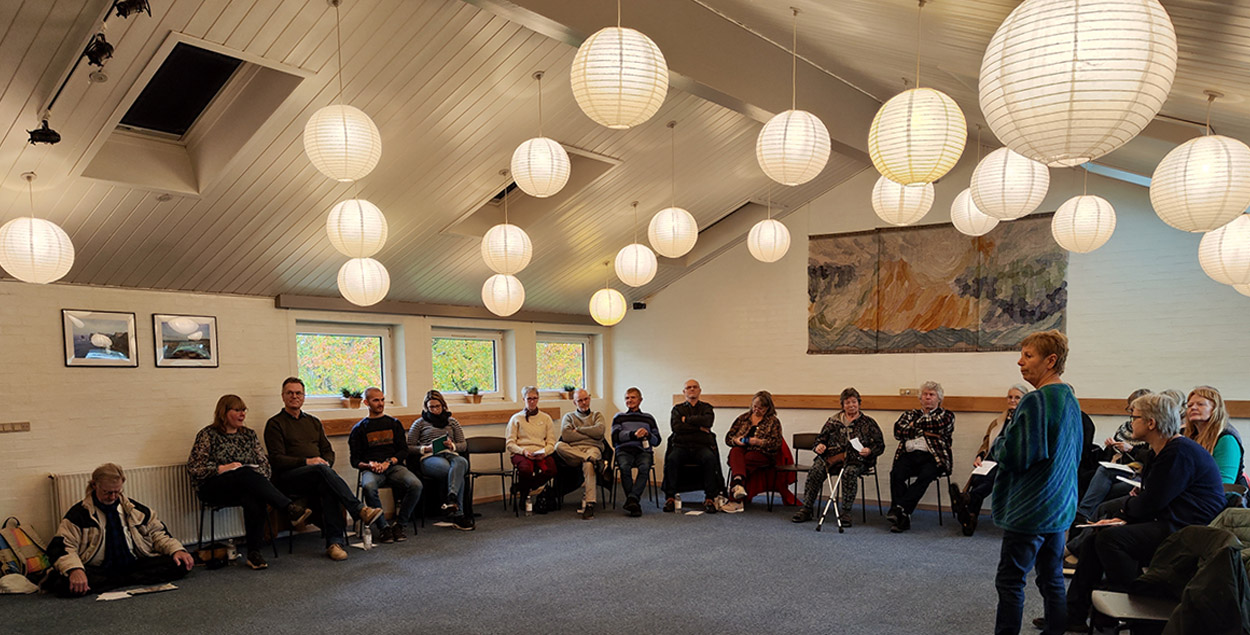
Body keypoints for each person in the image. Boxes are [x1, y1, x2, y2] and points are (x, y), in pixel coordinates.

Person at [1062, 392, 1226, 632]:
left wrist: (1125, 510)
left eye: (1134, 417)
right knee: (1095, 539)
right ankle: (1074, 615)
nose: (1131, 423)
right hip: (1171, 520)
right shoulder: (1160, 450)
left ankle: (1137, 607)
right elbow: (1150, 498)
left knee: (1109, 540)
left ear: (1151, 423)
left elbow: (1150, 503)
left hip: (1190, 532)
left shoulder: (1178, 452)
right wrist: (1128, 512)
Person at [987, 330, 1082, 635]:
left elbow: (1015, 455)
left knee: (1010, 581)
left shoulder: (1037, 400)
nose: (1020, 362)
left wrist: (999, 443)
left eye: (1028, 356)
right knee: (1051, 576)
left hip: (1031, 508)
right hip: (1058, 505)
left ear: (1050, 361)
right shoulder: (1070, 398)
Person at [187, 395, 313, 570]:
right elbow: (194, 468)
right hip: (213, 487)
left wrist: (255, 476)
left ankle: (254, 553)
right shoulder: (208, 435)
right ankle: (288, 508)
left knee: (253, 494)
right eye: (237, 410)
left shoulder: (249, 435)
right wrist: (222, 468)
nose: (242, 414)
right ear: (224, 413)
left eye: (244, 410)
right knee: (245, 474)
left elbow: (265, 466)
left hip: (244, 486)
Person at [264, 377, 382, 562]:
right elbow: (277, 459)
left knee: (327, 484)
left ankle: (334, 544)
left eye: (298, 393)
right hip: (288, 478)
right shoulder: (275, 424)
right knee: (321, 472)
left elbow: (328, 451)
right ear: (283, 396)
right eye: (290, 393)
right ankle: (358, 510)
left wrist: (326, 463)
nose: (294, 396)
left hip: (317, 476)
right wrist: (308, 462)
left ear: (304, 396)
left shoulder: (313, 422)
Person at [43, 463, 195, 597]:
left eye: (117, 492)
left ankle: (115, 581)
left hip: (133, 564)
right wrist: (75, 570)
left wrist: (177, 550)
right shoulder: (78, 515)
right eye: (107, 492)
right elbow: (63, 547)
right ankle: (123, 580)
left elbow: (158, 534)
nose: (113, 497)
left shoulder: (136, 510)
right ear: (94, 485)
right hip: (99, 568)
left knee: (179, 563)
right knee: (63, 582)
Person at [792, 387, 884, 525]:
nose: (851, 405)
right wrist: (819, 446)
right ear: (842, 405)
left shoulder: (868, 423)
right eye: (847, 402)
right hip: (832, 458)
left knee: (849, 472)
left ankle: (846, 513)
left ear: (859, 403)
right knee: (816, 470)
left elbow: (880, 445)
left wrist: (869, 450)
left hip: (857, 459)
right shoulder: (833, 421)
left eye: (854, 402)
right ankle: (807, 509)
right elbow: (820, 440)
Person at [950, 384, 1031, 536]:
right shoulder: (998, 421)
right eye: (1010, 397)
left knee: (992, 478)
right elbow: (987, 442)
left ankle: (968, 503)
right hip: (992, 459)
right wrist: (980, 456)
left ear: (1025, 400)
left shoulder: (1027, 421)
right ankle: (970, 516)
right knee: (978, 478)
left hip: (1011, 461)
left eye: (1017, 397)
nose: (1012, 400)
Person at [349, 387, 422, 544]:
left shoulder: (394, 424)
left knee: (416, 485)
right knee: (368, 486)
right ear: (366, 403)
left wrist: (388, 462)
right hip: (372, 470)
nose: (380, 403)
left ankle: (400, 524)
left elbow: (403, 451)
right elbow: (355, 461)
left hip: (394, 466)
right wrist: (370, 465)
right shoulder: (359, 429)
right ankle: (384, 528)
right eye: (376, 400)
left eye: (382, 399)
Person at [886, 381, 955, 533]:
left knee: (925, 475)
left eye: (932, 395)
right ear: (920, 398)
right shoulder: (909, 414)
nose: (928, 397)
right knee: (896, 474)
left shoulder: (946, 415)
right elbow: (898, 431)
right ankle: (903, 516)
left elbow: (938, 424)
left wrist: (913, 426)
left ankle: (899, 509)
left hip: (934, 456)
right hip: (909, 455)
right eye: (925, 394)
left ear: (939, 399)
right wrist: (925, 431)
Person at [407, 389, 473, 531]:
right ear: (426, 407)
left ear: (443, 405)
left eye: (437, 406)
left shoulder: (452, 422)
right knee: (453, 471)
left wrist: (452, 445)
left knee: (462, 462)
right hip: (430, 457)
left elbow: (463, 445)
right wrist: (425, 448)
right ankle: (459, 514)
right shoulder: (419, 423)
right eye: (431, 407)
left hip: (450, 454)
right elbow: (409, 447)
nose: (435, 410)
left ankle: (451, 498)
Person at [663, 379, 725, 513]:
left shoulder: (707, 408)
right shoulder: (677, 409)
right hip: (681, 446)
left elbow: (708, 422)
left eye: (695, 387)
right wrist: (699, 428)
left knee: (710, 458)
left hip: (701, 447)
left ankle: (709, 498)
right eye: (689, 387)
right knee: (672, 459)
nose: (692, 389)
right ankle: (670, 497)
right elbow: (676, 428)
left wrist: (686, 420)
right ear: (684, 391)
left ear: (699, 390)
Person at [724, 390, 786, 507]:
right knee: (735, 451)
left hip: (762, 453)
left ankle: (735, 500)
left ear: (768, 408)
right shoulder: (743, 418)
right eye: (755, 407)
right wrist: (736, 440)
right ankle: (738, 485)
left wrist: (759, 442)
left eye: (760, 408)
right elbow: (728, 437)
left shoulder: (773, 421)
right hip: (742, 449)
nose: (756, 410)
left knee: (743, 460)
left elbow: (776, 443)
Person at [555, 389, 606, 520]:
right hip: (574, 453)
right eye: (580, 400)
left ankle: (589, 504)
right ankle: (592, 459)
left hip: (592, 448)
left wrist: (578, 429)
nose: (584, 403)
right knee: (558, 445)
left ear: (589, 398)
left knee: (588, 465)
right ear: (574, 402)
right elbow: (566, 436)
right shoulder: (569, 417)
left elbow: (599, 432)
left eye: (586, 399)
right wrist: (591, 433)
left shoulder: (597, 415)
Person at [1184, 385, 1248, 487]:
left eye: (1200, 404)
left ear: (1215, 409)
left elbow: (1225, 484)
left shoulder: (1227, 439)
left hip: (1220, 495)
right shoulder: (1188, 437)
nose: (1193, 408)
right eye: (1190, 405)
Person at [612, 387, 661, 517]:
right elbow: (615, 438)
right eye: (627, 398)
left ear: (640, 400)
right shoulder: (619, 417)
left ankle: (632, 499)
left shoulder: (648, 418)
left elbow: (657, 441)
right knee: (624, 467)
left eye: (633, 397)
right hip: (624, 450)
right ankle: (633, 502)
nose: (629, 400)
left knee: (645, 467)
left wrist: (648, 435)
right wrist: (633, 434)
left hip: (643, 451)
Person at [506, 386, 558, 507]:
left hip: (541, 452)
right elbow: (510, 443)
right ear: (523, 399)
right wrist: (523, 451)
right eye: (529, 399)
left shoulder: (546, 418)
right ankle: (523, 498)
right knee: (525, 470)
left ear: (538, 399)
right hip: (522, 452)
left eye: (535, 398)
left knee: (552, 469)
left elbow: (551, 442)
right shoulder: (516, 418)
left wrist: (545, 452)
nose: (532, 401)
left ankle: (522, 487)